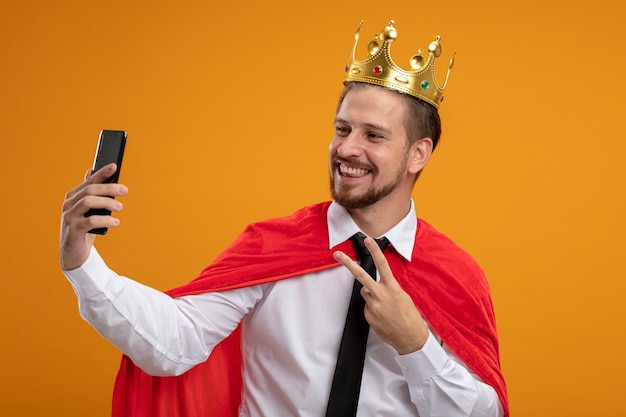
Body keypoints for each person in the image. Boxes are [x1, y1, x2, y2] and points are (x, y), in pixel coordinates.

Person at [61, 20, 508, 417]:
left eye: (373, 135)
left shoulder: (455, 274)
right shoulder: (272, 245)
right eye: (342, 129)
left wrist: (416, 344)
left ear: (418, 153)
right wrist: (82, 263)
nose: (348, 149)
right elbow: (174, 344)